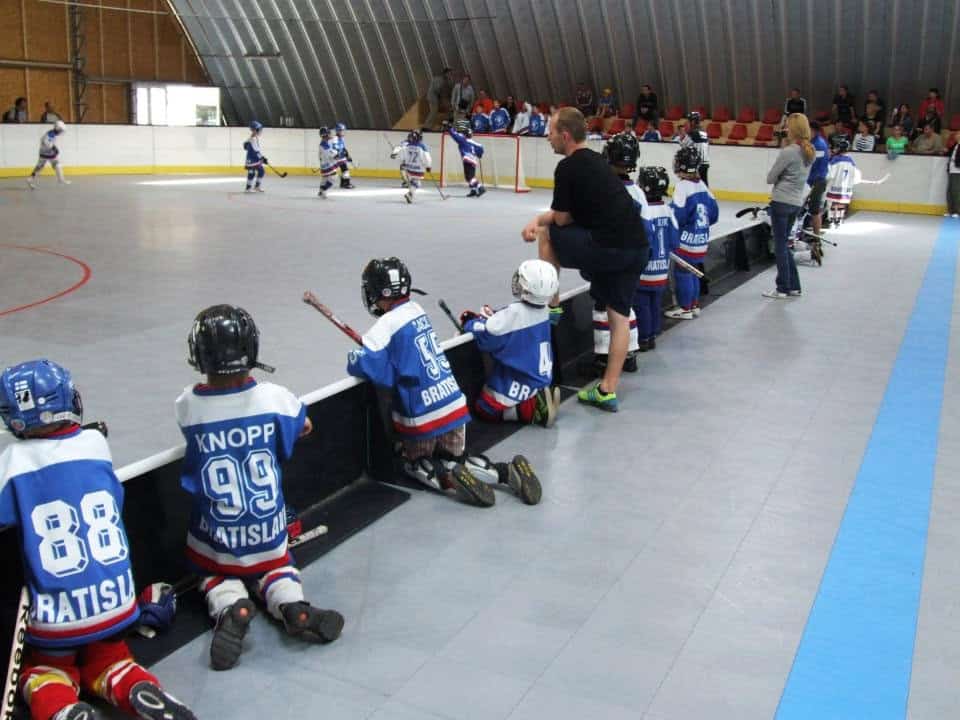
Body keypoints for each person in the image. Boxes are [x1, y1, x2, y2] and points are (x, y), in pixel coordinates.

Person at [0, 359, 197, 720]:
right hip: (118, 606)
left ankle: (63, 708)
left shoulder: (12, 462)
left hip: (57, 619)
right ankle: (136, 686)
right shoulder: (94, 444)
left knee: (44, 673)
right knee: (111, 658)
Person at [177, 305, 344, 671]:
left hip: (217, 539)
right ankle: (291, 605)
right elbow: (305, 426)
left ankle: (230, 606)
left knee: (215, 573)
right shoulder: (275, 398)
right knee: (277, 566)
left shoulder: (189, 406)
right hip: (268, 534)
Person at [346, 257, 543, 506]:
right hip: (455, 406)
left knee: (412, 461)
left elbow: (370, 368)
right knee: (456, 458)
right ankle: (502, 472)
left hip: (422, 417)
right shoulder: (418, 311)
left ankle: (446, 477)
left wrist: (356, 356)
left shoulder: (383, 327)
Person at [520, 107, 649, 412]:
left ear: (565, 136)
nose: (547, 137)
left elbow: (563, 219)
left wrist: (539, 220)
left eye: (550, 132)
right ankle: (607, 390)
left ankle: (551, 306)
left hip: (609, 248)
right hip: (637, 249)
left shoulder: (567, 168)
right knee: (619, 317)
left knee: (547, 234)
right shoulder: (597, 162)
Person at [459, 260, 561, 427]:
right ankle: (539, 398)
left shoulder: (514, 314)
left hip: (520, 385)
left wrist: (470, 322)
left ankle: (531, 409)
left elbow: (486, 337)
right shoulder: (545, 311)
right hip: (541, 379)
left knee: (484, 408)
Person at [762, 113, 814, 299]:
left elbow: (770, 178)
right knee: (785, 244)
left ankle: (782, 287)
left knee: (780, 246)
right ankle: (794, 285)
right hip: (796, 202)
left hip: (781, 201)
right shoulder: (810, 151)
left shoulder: (788, 152)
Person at [665, 145, 719, 317]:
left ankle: (685, 308)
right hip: (701, 240)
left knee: (682, 272)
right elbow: (714, 214)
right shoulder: (703, 185)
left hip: (686, 242)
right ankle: (694, 305)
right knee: (693, 270)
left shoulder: (682, 187)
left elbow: (677, 216)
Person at [634, 166, 679, 350]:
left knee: (641, 303)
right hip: (661, 270)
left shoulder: (644, 211)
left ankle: (643, 337)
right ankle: (653, 333)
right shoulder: (668, 210)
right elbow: (675, 240)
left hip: (645, 270)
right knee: (655, 302)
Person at [825, 134, 861, 227]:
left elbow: (830, 175)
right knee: (842, 203)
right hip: (846, 188)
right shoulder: (851, 161)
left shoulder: (834, 160)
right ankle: (839, 220)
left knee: (833, 203)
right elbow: (855, 176)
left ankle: (831, 219)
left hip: (834, 186)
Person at [390, 130, 432, 203]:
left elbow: (402, 154)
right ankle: (410, 194)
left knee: (414, 181)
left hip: (409, 168)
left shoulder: (408, 145)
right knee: (417, 183)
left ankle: (410, 192)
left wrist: (400, 160)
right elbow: (427, 157)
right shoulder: (422, 146)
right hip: (418, 169)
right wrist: (428, 166)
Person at [26, 120, 70, 189]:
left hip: (42, 153)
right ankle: (61, 179)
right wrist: (54, 149)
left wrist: (53, 147)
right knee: (57, 164)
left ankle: (30, 178)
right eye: (61, 130)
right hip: (48, 152)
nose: (61, 132)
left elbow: (44, 140)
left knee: (39, 167)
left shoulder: (51, 133)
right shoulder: (51, 134)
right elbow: (46, 142)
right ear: (58, 129)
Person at [446, 120, 485, 197]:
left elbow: (455, 135)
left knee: (469, 177)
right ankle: (473, 190)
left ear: (465, 134)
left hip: (468, 160)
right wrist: (479, 155)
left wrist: (449, 128)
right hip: (473, 161)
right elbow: (481, 149)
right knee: (470, 177)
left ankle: (480, 187)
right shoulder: (475, 143)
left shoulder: (463, 140)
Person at [806, 120, 830, 245]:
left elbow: (811, 163)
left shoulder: (819, 145)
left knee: (815, 210)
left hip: (817, 181)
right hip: (811, 180)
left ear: (814, 131)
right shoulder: (812, 142)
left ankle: (817, 238)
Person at [316, 126, 340, 197]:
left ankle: (320, 191)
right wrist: (337, 155)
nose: (330, 135)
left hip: (324, 164)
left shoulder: (324, 143)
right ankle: (324, 190)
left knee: (325, 178)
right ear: (325, 135)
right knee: (334, 177)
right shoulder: (324, 145)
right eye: (328, 133)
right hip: (327, 165)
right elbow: (331, 154)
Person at [243, 120, 266, 193]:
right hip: (251, 160)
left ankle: (257, 187)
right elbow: (256, 151)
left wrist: (261, 158)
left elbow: (245, 145)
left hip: (256, 160)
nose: (261, 131)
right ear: (255, 130)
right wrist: (262, 158)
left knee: (261, 171)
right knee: (251, 173)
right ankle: (248, 188)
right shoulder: (252, 139)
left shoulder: (254, 138)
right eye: (260, 130)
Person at [332, 122, 355, 189]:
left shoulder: (342, 138)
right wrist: (338, 153)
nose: (343, 132)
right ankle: (346, 183)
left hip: (341, 157)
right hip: (338, 157)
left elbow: (343, 148)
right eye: (342, 131)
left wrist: (347, 155)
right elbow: (335, 147)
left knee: (343, 170)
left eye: (344, 130)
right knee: (345, 170)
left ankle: (342, 183)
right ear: (338, 131)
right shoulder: (335, 138)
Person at [946, 137, 960, 218]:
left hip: (958, 171)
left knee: (956, 191)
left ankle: (957, 211)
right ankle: (950, 211)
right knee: (949, 191)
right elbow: (949, 153)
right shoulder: (956, 144)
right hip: (951, 169)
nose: (958, 136)